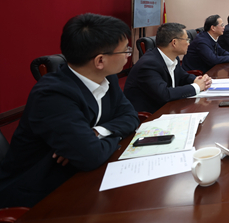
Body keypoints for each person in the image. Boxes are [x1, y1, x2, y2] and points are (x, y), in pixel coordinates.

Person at [0, 14, 139, 208]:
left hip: (81, 175)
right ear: (100, 60)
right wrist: (101, 140)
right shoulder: (52, 95)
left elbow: (131, 117)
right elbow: (90, 156)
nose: (127, 55)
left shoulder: (108, 78)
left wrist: (96, 133)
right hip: (39, 193)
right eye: (125, 50)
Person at [125, 23, 212, 113]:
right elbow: (165, 94)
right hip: (151, 115)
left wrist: (199, 80)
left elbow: (182, 76)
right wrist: (196, 86)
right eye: (187, 40)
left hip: (169, 108)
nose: (189, 43)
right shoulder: (148, 64)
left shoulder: (173, 57)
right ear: (174, 42)